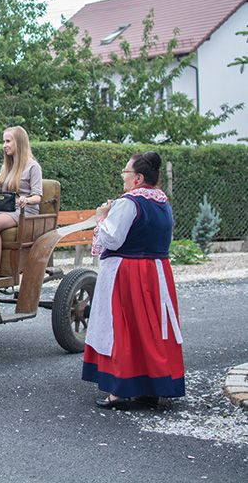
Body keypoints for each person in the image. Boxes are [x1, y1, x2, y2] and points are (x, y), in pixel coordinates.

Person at [82, 151, 184, 409]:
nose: (123, 176)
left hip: (128, 273)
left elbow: (112, 238)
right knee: (148, 329)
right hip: (156, 272)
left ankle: (120, 390)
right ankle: (149, 387)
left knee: (123, 328)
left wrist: (102, 216)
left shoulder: (129, 202)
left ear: (138, 178)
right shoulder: (162, 200)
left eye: (126, 172)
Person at [0, 126, 42, 278]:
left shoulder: (33, 166)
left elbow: (38, 197)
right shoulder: (6, 166)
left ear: (19, 142)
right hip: (5, 207)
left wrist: (27, 199)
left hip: (23, 209)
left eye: (8, 141)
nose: (4, 145)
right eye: (4, 141)